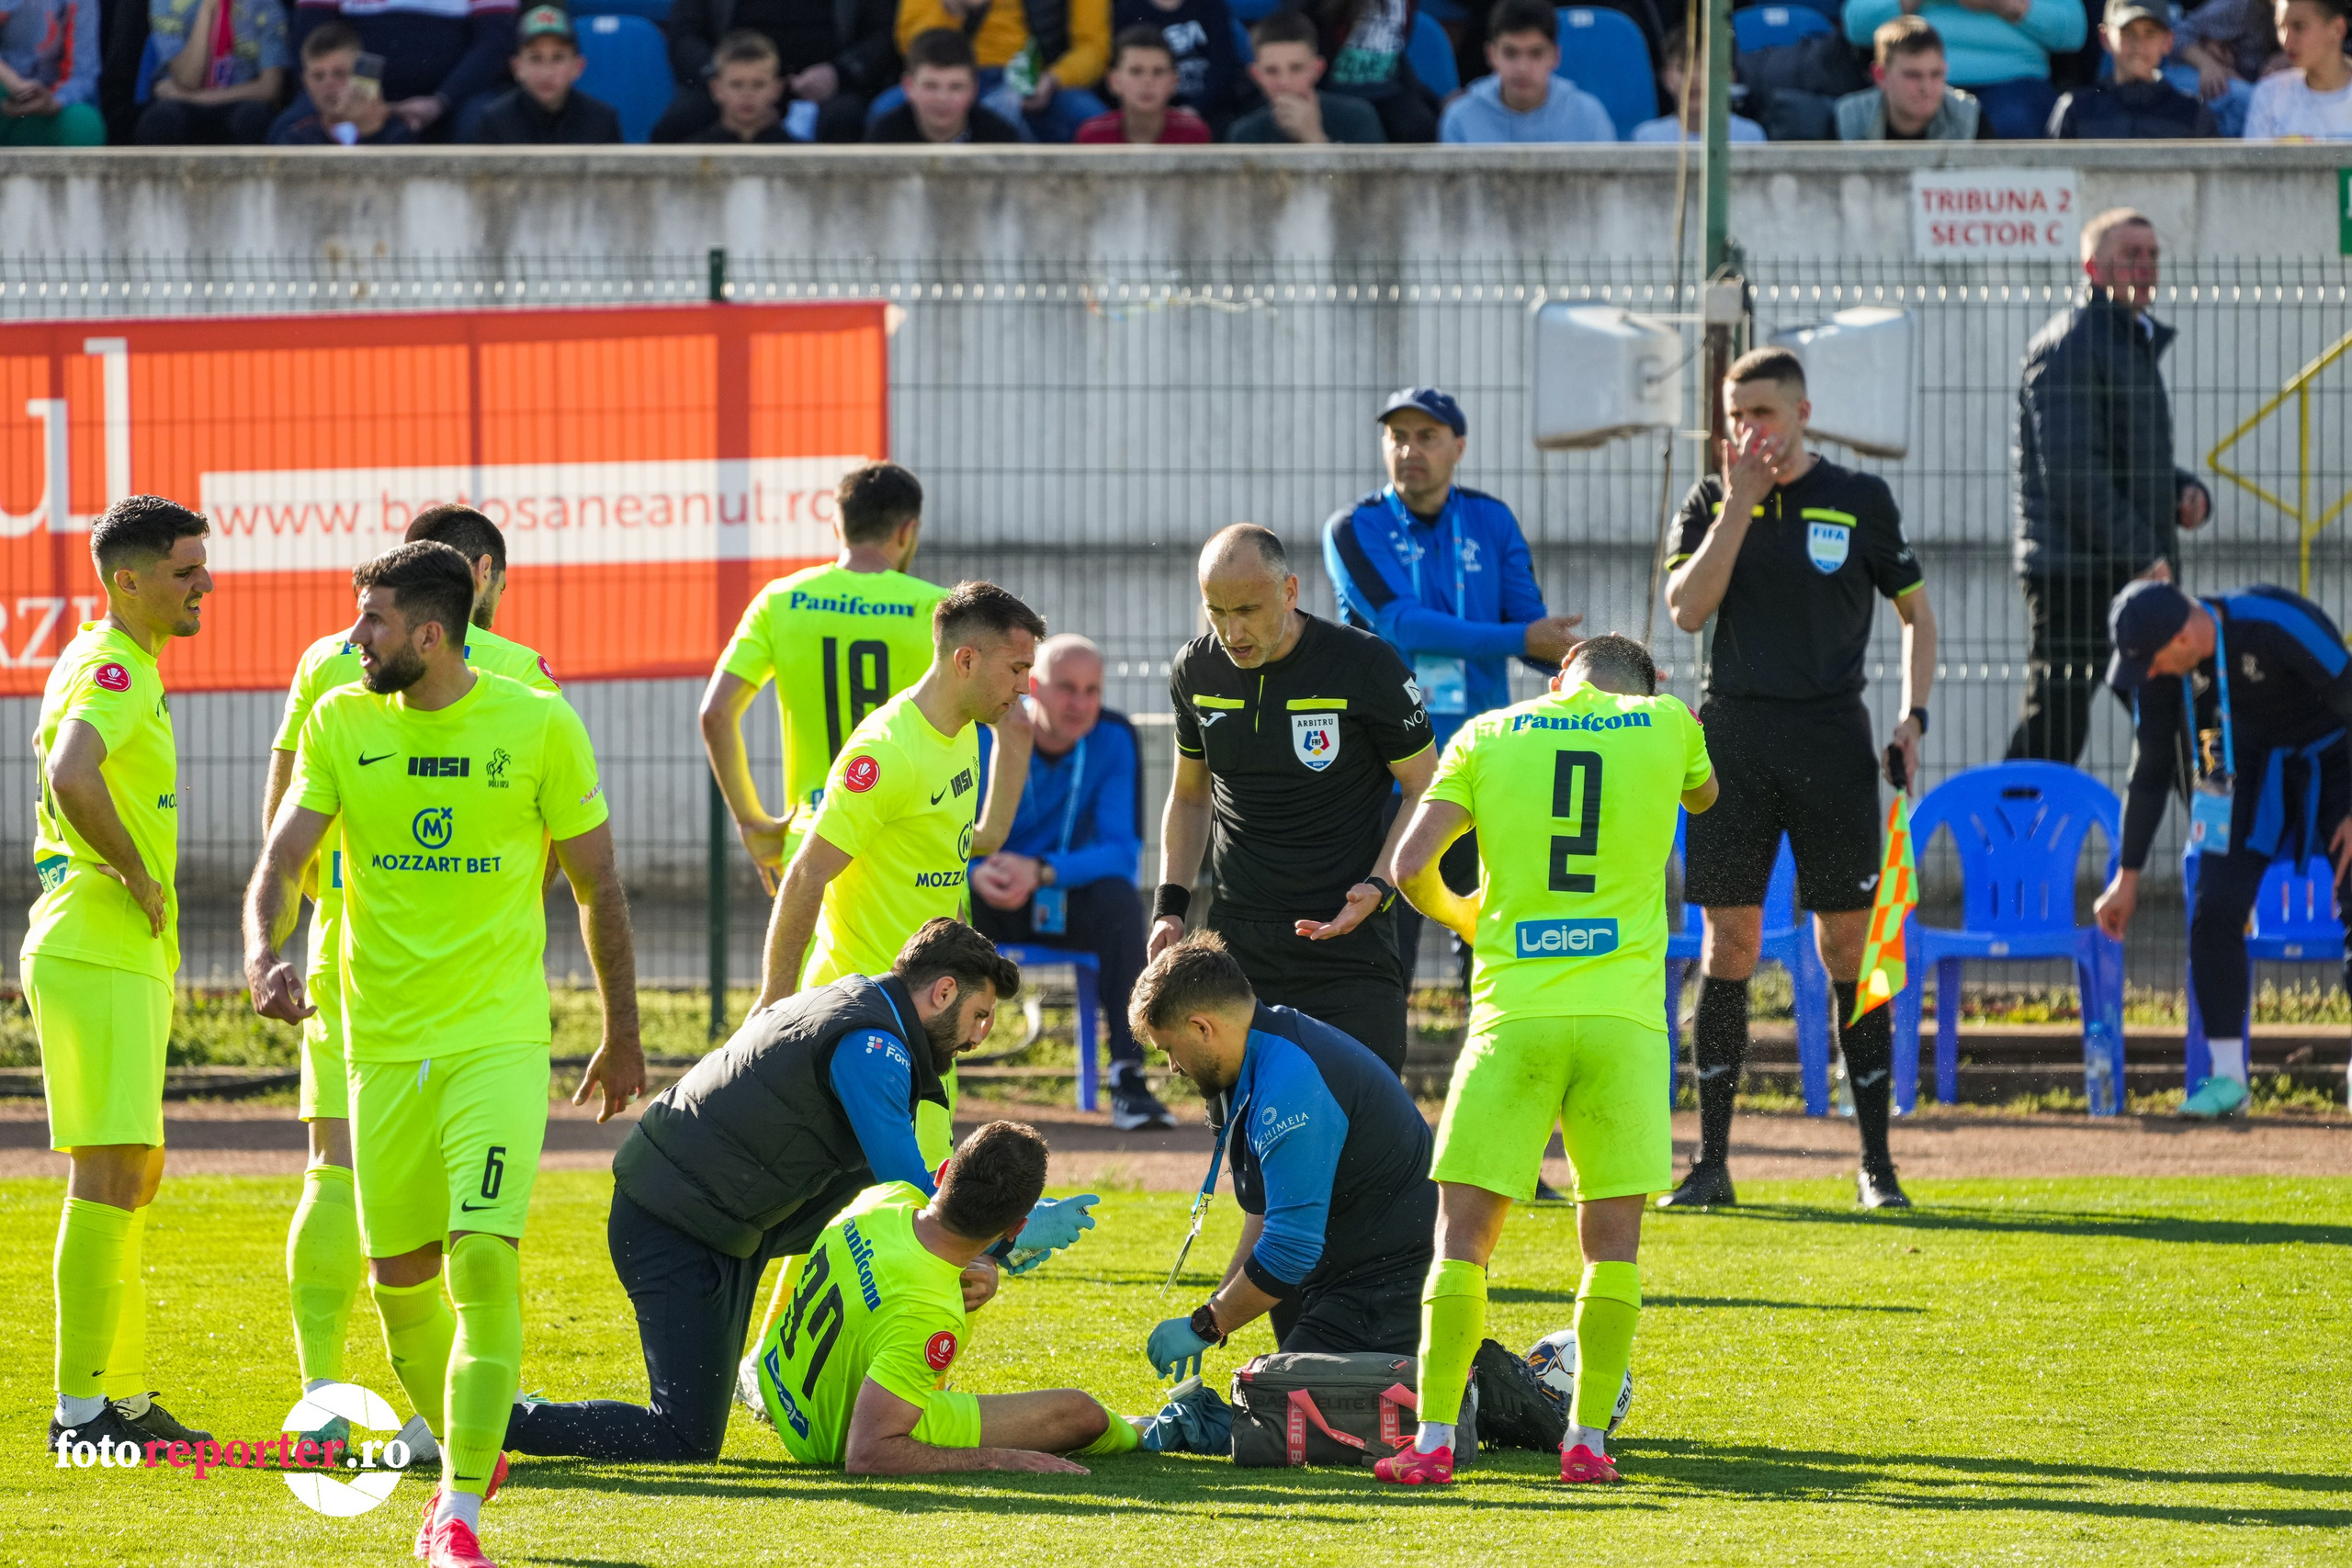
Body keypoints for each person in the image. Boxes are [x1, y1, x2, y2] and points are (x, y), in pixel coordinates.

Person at [244, 541, 642, 1568]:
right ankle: (472, 1449)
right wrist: (262, 949)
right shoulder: (341, 721)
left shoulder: (539, 722)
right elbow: (284, 857)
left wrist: (625, 1029)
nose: (355, 638)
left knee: (480, 1258)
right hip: (376, 1046)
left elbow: (598, 886)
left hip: (496, 1043)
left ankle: (456, 1507)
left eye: (371, 620)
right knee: (401, 1278)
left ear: (430, 632)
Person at [505, 920, 1095, 1459]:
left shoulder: (863, 1004)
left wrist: (981, 1245)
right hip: (675, 1220)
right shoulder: (874, 1049)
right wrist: (1000, 1237)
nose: (980, 1036)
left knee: (908, 1211)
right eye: (980, 1016)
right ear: (942, 993)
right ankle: (485, 1421)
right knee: (683, 1438)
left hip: (722, 1217)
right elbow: (910, 1190)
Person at [1377, 634, 1716, 1487]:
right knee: (1612, 1244)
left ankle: (1432, 1441)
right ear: (1651, 684)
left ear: (1560, 672)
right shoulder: (1669, 721)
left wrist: (1468, 916)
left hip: (1513, 1016)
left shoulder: (1488, 732)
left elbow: (1410, 865)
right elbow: (1706, 798)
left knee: (1462, 1240)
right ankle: (1587, 1440)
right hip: (1624, 1023)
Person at [262, 505, 558, 1464]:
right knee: (460, 1231)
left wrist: (308, 920)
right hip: (465, 969)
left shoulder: (324, 665)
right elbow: (555, 850)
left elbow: (283, 821)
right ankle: (449, 1409)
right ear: (476, 579)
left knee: (331, 1168)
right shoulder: (518, 675)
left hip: (343, 947)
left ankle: (320, 1393)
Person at [1661, 346, 1939, 1213]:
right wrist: (1740, 503)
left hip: (1832, 738)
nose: (1748, 431)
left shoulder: (1861, 499)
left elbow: (1917, 616)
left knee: (1846, 948)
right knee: (1729, 945)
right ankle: (1710, 1164)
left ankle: (1876, 1166)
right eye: (1736, 416)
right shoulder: (1713, 498)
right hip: (1732, 738)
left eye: (1764, 414)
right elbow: (1686, 609)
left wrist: (1913, 714)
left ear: (1803, 411)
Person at [28, 497, 215, 1459]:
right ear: (126, 581)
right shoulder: (114, 666)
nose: (204, 587)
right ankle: (79, 1414)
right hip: (98, 938)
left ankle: (125, 1400)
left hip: (119, 949)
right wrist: (138, 872)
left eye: (201, 569)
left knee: (135, 1171)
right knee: (108, 1171)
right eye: (185, 572)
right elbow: (71, 769)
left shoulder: (122, 662)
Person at [757, 579, 1041, 1161]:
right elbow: (807, 874)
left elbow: (963, 846)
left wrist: (971, 990)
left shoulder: (963, 734)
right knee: (901, 1203)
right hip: (858, 1014)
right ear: (966, 660)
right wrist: (774, 1007)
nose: (1025, 686)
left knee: (909, 1202)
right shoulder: (886, 753)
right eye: (1016, 669)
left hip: (932, 1014)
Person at [1323, 386, 1581, 987]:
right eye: (1398, 435)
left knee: (1490, 934)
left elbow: (1533, 630)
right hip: (1383, 769)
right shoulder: (1353, 527)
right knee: (1387, 938)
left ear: (1458, 446)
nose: (1410, 448)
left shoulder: (1491, 520)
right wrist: (1521, 639)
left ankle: (1490, 1064)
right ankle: (1382, 1077)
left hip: (1481, 762)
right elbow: (1403, 624)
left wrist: (1597, 666)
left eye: (1427, 435)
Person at [1154, 525, 1435, 1075]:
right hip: (1240, 946)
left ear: (1289, 592)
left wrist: (1379, 886)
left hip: (1349, 939)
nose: (1232, 632)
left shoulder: (1365, 664)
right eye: (1216, 611)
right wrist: (1169, 908)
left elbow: (1426, 786)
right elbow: (1190, 796)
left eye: (1248, 610)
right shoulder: (1196, 669)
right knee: (1248, 1139)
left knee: (1363, 1137)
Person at [2094, 581, 2352, 1118]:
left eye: (2155, 662)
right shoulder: (2163, 671)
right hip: (2236, 778)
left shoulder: (2274, 622)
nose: (2150, 676)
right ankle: (2229, 1079)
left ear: (2185, 636)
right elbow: (2148, 772)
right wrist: (2129, 875)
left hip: (2338, 766)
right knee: (2214, 911)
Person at [1129, 934, 1438, 1378]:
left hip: (1390, 1288)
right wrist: (1214, 1310)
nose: (1173, 1067)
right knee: (1277, 1409)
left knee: (1278, 1425)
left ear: (1201, 1028)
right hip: (1337, 1278)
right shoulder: (1250, 1059)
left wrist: (1208, 1324)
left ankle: (1488, 1379)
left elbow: (1291, 1247)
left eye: (1170, 1050)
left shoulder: (1290, 1085)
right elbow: (1272, 1218)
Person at [753, 1121, 1140, 1472]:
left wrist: (984, 1261)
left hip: (777, 1384)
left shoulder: (885, 1198)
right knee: (1081, 1415)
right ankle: (1155, 1432)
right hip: (826, 1437)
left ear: (941, 1174)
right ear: (1017, 1228)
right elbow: (868, 1454)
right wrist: (998, 1459)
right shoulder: (932, 1313)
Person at [2007, 209, 2211, 766]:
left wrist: (2184, 491)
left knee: (2179, 720)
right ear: (2092, 268)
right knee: (2058, 724)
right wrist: (2145, 555)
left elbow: (2126, 461)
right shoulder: (2071, 344)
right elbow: (2072, 474)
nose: (2145, 267)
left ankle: (2222, 847)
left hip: (2125, 566)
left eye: (2152, 255)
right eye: (2131, 256)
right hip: (2078, 573)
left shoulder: (2125, 339)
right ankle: (2011, 848)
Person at [703, 461, 949, 906]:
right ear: (907, 530)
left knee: (814, 977)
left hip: (818, 839)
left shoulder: (780, 600)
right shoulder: (938, 611)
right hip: (916, 843)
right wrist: (990, 830)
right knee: (932, 974)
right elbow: (1013, 723)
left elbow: (716, 714)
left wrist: (752, 822)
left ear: (837, 525)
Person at [969, 634, 1173, 1132]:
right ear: (1033, 686)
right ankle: (922, 1076)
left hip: (1062, 896)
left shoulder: (1113, 737)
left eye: (1091, 690)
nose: (1080, 704)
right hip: (986, 897)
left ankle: (1128, 1079)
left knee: (1121, 903)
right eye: (1066, 688)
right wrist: (976, 873)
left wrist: (1040, 871)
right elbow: (942, 831)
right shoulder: (983, 731)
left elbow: (1121, 852)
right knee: (935, 900)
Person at [650, 0, 892, 141]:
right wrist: (721, 76)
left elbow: (885, 34)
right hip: (732, 82)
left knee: (846, 119)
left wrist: (840, 72)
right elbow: (684, 35)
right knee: (678, 124)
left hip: (829, 90)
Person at [1841, 0, 2086, 138]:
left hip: (2015, 84)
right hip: (1912, 78)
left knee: (2014, 128)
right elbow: (1857, 25)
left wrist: (2005, 4)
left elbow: (2073, 33)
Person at [293, 0, 518, 141]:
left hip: (453, 98)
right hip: (351, 89)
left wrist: (440, 102)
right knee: (290, 128)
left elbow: (494, 41)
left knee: (483, 123)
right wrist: (363, 98)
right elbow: (313, 37)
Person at [889, 0, 1111, 141]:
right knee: (883, 112)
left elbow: (1094, 49)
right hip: (955, 79)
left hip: (1039, 81)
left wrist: (1055, 79)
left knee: (1095, 122)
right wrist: (952, 9)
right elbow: (910, 45)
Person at [1438, 0, 1615, 142]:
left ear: (1555, 56)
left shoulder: (1589, 117)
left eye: (1536, 54)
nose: (1523, 68)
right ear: (1492, 55)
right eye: (1510, 53)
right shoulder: (1460, 118)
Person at [133, 0, 289, 144]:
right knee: (160, 122)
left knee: (252, 119)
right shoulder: (169, 3)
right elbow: (188, 80)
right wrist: (207, 10)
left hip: (240, 97)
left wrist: (190, 97)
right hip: (183, 100)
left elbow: (270, 88)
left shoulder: (266, 4)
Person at [2050, 0, 2216, 135]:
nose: (2139, 44)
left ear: (2168, 41)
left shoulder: (2192, 114)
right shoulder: (2077, 110)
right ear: (2105, 37)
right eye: (2128, 33)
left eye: (2150, 33)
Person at [1227, 7, 1385, 141]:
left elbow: (1374, 178)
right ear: (1256, 75)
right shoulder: (1244, 134)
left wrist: (1315, 139)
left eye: (1296, 68)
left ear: (1317, 69)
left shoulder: (1358, 117)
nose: (1284, 81)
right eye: (1271, 71)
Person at [473, 5, 621, 142]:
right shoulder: (495, 122)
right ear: (517, 68)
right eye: (535, 58)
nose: (547, 72)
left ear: (578, 66)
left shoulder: (601, 121)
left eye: (558, 58)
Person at [1306, 0, 1437, 141]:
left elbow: (1393, 53)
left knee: (1423, 128)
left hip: (1388, 90)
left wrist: (1437, 101)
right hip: (1334, 91)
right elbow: (1297, 39)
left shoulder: (1406, 4)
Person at [1113, 0, 1250, 134]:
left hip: (1211, 109)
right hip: (1153, 111)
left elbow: (1223, 66)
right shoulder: (1128, 8)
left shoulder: (1211, 5)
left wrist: (1194, 109)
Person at [1836, 17, 1985, 139]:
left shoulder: (1971, 118)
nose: (1926, 88)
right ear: (1880, 75)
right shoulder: (1847, 120)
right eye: (1913, 75)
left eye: (1936, 74)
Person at [865, 27, 1025, 141]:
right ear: (909, 87)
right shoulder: (885, 137)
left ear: (974, 88)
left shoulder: (998, 138)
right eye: (931, 86)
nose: (942, 98)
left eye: (956, 87)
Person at [268, 21, 419, 142]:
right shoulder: (296, 139)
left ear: (361, 75)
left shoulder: (398, 134)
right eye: (318, 76)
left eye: (340, 74)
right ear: (305, 82)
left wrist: (370, 129)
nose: (328, 83)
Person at [1632, 25, 1766, 141]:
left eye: (1705, 67)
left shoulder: (1749, 136)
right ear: (1667, 78)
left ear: (1729, 77)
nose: (1693, 78)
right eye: (1683, 69)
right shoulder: (1648, 137)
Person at [1076, 25, 1211, 141]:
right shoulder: (1094, 136)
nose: (1148, 81)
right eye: (1136, 71)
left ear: (1174, 81)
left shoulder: (1193, 134)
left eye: (1158, 72)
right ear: (1114, 81)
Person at [0, 0, 105, 144]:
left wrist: (53, 102)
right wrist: (11, 82)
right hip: (4, 92)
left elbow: (84, 74)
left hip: (47, 105)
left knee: (85, 123)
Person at [2245, 0, 2352, 138]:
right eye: (2281, 27)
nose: (2286, 41)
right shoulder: (2269, 95)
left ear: (2337, 29)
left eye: (2299, 27)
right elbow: (2253, 159)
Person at [2171, 0, 2270, 137]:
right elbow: (2176, 36)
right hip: (2192, 74)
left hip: (2245, 83)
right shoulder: (2242, 6)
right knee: (2253, 100)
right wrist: (2207, 64)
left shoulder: (2300, 8)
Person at [686, 28, 794, 141]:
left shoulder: (800, 154)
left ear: (777, 89)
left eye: (758, 84)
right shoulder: (690, 154)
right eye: (736, 84)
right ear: (716, 89)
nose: (747, 94)